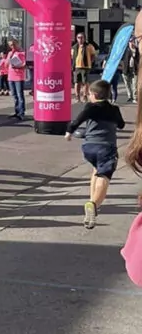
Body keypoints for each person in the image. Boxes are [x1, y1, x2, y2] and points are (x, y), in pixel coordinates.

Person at [66, 80, 125, 229]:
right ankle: (94, 204)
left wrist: (69, 132)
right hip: (106, 148)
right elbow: (121, 124)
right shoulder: (114, 109)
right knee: (104, 176)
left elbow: (79, 119)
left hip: (89, 147)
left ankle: (91, 198)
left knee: (96, 169)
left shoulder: (90, 107)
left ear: (93, 94)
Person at [7, 39, 28, 121]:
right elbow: (7, 63)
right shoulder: (10, 53)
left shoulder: (22, 53)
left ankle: (21, 113)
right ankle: (17, 111)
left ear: (17, 44)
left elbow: (24, 65)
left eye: (13, 44)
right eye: (10, 45)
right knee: (14, 95)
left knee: (20, 95)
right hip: (10, 76)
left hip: (18, 77)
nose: (12, 46)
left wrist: (18, 66)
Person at [72, 33, 96, 102]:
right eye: (78, 37)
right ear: (76, 39)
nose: (80, 39)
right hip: (76, 67)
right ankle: (77, 97)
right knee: (77, 82)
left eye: (81, 37)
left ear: (84, 38)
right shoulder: (74, 47)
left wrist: (90, 62)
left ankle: (85, 96)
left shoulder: (89, 46)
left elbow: (93, 55)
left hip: (85, 67)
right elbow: (72, 57)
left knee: (85, 82)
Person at [126, 38, 140, 104]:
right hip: (126, 69)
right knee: (127, 84)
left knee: (134, 84)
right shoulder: (126, 50)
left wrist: (134, 51)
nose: (131, 43)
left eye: (132, 42)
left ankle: (135, 97)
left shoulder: (137, 50)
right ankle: (130, 97)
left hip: (135, 69)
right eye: (130, 42)